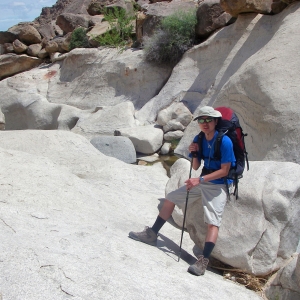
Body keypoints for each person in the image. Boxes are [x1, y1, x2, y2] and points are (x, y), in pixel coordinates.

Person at [129, 106, 236, 276]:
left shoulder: (225, 141)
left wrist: (199, 180)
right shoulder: (199, 138)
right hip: (202, 181)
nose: (205, 123)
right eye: (202, 120)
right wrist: (194, 153)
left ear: (216, 121)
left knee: (213, 222)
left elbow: (224, 170)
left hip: (219, 185)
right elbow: (195, 166)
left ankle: (202, 262)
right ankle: (152, 234)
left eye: (209, 120)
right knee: (171, 198)